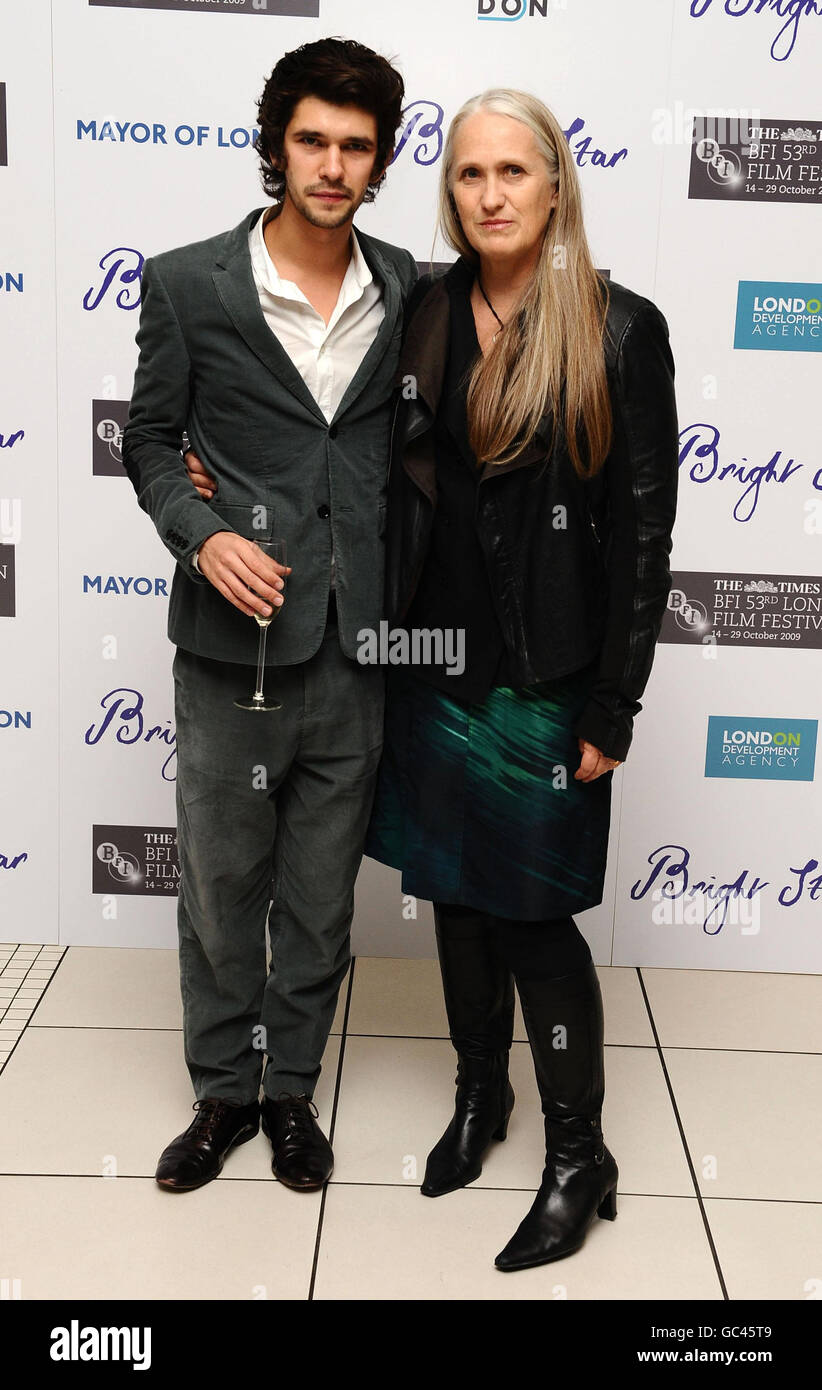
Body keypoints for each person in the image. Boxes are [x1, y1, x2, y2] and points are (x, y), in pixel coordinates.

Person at [363, 89, 679, 1271]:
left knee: (534, 921)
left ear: (556, 185)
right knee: (453, 896)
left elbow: (646, 530)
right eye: (466, 175)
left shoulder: (616, 329)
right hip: (431, 667)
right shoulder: (423, 310)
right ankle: (478, 1098)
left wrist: (615, 702)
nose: (488, 194)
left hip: (549, 681)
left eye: (512, 172)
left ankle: (576, 1153)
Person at [122, 38, 417, 1195]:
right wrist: (203, 532)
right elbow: (149, 443)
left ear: (380, 159)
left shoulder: (410, 286)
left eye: (355, 146)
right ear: (275, 145)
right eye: (313, 141)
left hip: (361, 646)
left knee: (321, 892)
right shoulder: (189, 283)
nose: (333, 165)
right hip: (228, 647)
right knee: (220, 885)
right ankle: (221, 1093)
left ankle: (289, 1090)